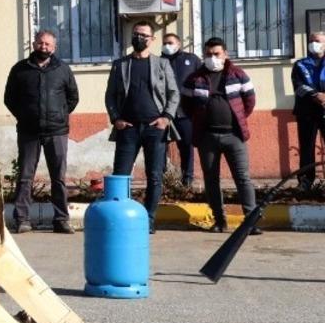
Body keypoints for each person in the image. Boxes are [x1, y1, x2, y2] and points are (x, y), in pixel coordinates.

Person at [105, 20, 180, 233]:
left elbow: (174, 93)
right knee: (121, 176)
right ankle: (120, 218)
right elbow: (110, 95)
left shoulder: (162, 64)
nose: (139, 38)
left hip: (154, 129)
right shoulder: (120, 64)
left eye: (144, 35)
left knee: (154, 176)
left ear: (152, 39)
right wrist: (116, 119)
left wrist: (166, 118)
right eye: (136, 34)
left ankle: (148, 219)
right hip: (127, 129)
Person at [3, 30, 79, 234]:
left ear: (54, 47)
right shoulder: (20, 69)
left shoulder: (63, 69)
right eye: (40, 43)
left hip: (57, 131)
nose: (43, 47)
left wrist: (60, 115)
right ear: (34, 44)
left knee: (58, 177)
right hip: (29, 132)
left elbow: (73, 97)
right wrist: (24, 116)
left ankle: (61, 220)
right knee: (25, 176)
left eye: (47, 44)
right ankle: (22, 220)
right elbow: (9, 98)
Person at [182, 38, 259, 234]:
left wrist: (238, 118)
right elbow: (186, 105)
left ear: (225, 54)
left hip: (234, 136)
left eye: (216, 54)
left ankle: (250, 222)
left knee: (243, 178)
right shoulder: (194, 78)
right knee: (211, 180)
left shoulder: (238, 74)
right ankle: (219, 221)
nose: (212, 58)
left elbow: (249, 101)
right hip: (207, 138)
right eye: (208, 54)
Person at [161, 33, 202, 188]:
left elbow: (202, 82)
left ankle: (187, 181)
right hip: (163, 114)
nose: (167, 46)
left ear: (178, 44)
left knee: (186, 147)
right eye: (165, 43)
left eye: (170, 42)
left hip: (185, 113)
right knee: (160, 148)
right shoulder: (158, 61)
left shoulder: (191, 60)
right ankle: (162, 181)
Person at [291, 31, 325, 192]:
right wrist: (315, 95)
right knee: (306, 147)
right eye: (311, 41)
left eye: (317, 41)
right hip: (306, 112)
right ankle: (305, 181)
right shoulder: (300, 64)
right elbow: (298, 86)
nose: (313, 44)